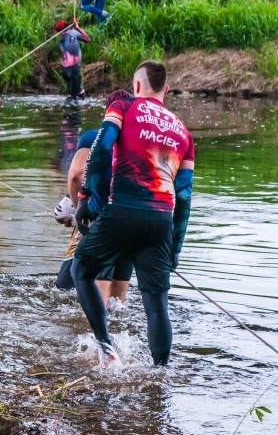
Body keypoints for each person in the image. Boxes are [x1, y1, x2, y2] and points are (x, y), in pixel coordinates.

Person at [71, 62, 195, 367]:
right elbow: (184, 196)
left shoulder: (123, 106)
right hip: (161, 221)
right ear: (166, 90)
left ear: (136, 86)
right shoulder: (184, 133)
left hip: (122, 209)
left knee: (81, 271)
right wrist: (175, 248)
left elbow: (101, 150)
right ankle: (161, 376)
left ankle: (106, 346)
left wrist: (86, 197)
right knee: (157, 305)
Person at [56, 90, 135, 307]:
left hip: (99, 222)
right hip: (131, 223)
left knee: (65, 292)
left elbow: (76, 176)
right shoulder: (138, 144)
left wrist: (77, 208)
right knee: (117, 305)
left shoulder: (94, 136)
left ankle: (92, 340)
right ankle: (122, 340)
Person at [55, 19, 91, 100]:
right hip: (74, 68)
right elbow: (87, 39)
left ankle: (79, 93)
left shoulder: (60, 42)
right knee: (75, 92)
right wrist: (77, 28)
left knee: (72, 93)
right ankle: (80, 93)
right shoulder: (73, 33)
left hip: (66, 71)